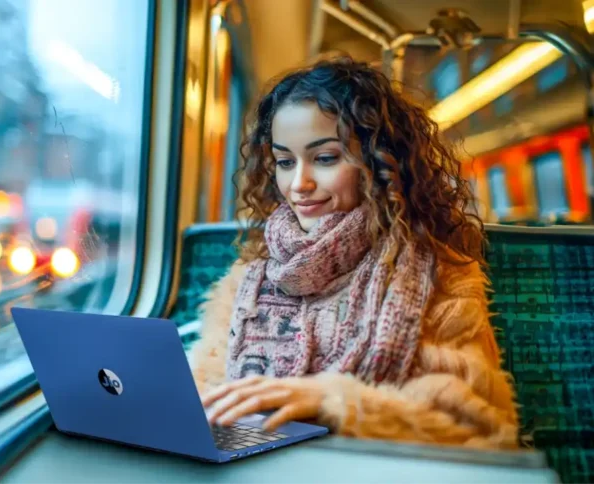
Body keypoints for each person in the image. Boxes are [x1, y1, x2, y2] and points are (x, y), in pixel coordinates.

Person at [191, 57, 519, 449]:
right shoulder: (248, 279)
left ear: (379, 162)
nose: (298, 184)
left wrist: (335, 402)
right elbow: (207, 390)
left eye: (325, 158)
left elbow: (478, 424)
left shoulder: (441, 275)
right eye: (283, 162)